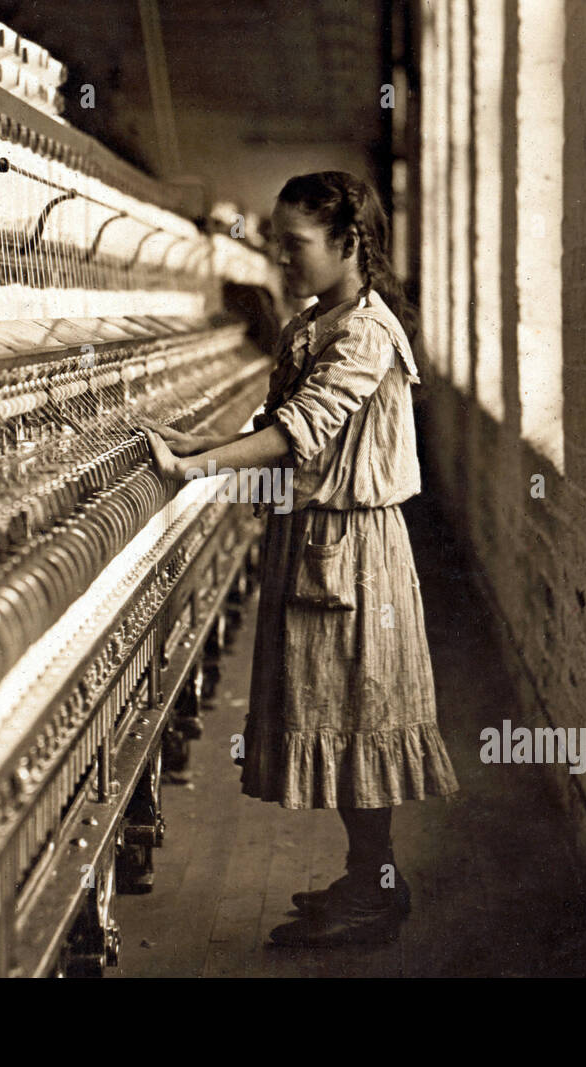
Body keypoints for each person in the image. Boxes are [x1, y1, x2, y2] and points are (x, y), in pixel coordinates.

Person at [141, 171, 459, 947]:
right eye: (276, 244)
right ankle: (365, 878)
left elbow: (299, 430)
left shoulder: (366, 333)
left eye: (296, 245)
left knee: (362, 715)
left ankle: (379, 889)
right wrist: (203, 441)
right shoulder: (318, 320)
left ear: (350, 243)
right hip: (317, 536)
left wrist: (196, 468)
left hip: (354, 549)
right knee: (342, 710)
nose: (282, 260)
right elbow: (281, 416)